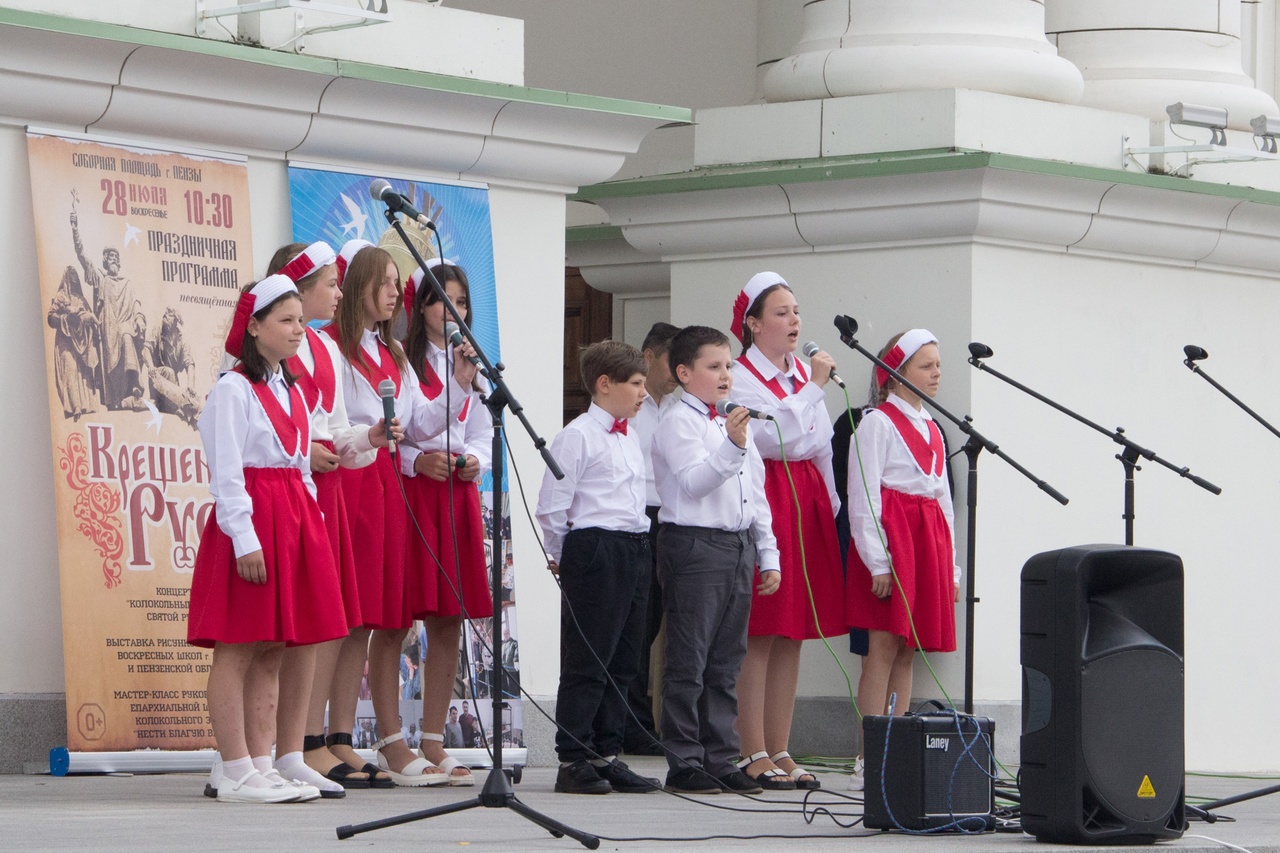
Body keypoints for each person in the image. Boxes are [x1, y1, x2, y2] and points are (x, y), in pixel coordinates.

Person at [186, 275, 348, 803]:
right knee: (236, 648)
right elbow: (227, 474)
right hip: (254, 521)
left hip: (293, 521)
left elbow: (300, 468)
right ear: (253, 326)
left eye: (301, 320)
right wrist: (244, 538)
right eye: (286, 320)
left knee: (273, 649)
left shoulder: (292, 388)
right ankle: (233, 766)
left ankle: (261, 762)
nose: (299, 330)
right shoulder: (233, 389)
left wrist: (314, 527)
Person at [324, 242, 478, 787]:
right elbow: (333, 423)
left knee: (372, 616)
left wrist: (459, 384)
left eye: (396, 283)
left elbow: (415, 422)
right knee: (354, 616)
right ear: (359, 284)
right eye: (385, 283)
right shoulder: (333, 349)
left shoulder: (388, 350)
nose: (395, 293)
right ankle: (329, 739)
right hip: (354, 480)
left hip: (385, 482)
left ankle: (343, 738)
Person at [650, 325, 781, 795]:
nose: (726, 374)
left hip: (737, 544)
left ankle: (722, 756)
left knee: (727, 660)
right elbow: (693, 483)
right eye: (713, 366)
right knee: (690, 657)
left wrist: (768, 553)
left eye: (728, 365)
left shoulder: (733, 423)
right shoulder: (678, 422)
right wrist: (732, 444)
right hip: (694, 546)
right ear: (684, 373)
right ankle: (685, 758)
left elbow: (756, 496)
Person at [728, 272, 844, 791]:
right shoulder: (741, 376)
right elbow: (773, 435)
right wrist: (814, 390)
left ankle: (780, 745)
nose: (794, 320)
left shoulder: (801, 374)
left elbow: (818, 441)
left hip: (807, 496)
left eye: (796, 310)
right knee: (762, 627)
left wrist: (832, 506)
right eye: (781, 312)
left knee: (794, 630)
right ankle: (749, 746)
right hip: (768, 492)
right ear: (753, 324)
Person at [536, 340, 661, 796]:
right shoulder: (578, 435)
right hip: (595, 549)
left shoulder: (630, 436)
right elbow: (552, 506)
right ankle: (573, 756)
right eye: (636, 383)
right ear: (605, 385)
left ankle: (607, 753)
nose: (644, 392)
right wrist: (564, 557)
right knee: (588, 657)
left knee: (624, 659)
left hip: (633, 545)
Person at [844, 329, 960, 791]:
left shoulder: (932, 427)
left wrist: (950, 567)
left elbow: (943, 500)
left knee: (908, 649)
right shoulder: (877, 423)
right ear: (895, 373)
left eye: (937, 365)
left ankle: (897, 749)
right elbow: (864, 495)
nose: (936, 374)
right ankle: (869, 755)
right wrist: (877, 561)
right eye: (926, 365)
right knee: (882, 648)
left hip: (926, 542)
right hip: (895, 544)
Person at [399, 258, 495, 786]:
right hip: (416, 491)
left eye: (460, 301)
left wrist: (476, 457)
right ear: (420, 308)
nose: (451, 310)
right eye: (440, 300)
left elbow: (479, 425)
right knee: (399, 616)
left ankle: (434, 738)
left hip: (456, 494)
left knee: (449, 619)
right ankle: (391, 739)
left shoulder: (471, 361)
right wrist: (418, 460)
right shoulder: (407, 362)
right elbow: (404, 429)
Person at [622, 322, 680, 756]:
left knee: (658, 620)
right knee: (635, 624)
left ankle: (644, 718)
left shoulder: (673, 410)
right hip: (637, 515)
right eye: (670, 359)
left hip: (670, 518)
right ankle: (630, 720)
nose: (677, 370)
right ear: (648, 356)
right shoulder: (633, 411)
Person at [70, 210, 146, 410]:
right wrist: (75, 229)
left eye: (115, 256)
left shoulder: (127, 283)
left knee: (127, 335)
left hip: (124, 327)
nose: (112, 259)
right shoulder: (100, 279)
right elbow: (82, 256)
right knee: (118, 347)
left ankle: (134, 386)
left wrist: (139, 319)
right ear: (104, 261)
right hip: (107, 331)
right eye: (109, 257)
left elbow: (137, 304)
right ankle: (119, 396)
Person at [46, 265, 100, 420]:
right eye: (72, 276)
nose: (74, 279)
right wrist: (65, 319)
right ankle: (74, 406)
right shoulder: (61, 296)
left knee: (84, 373)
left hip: (82, 341)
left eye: (76, 276)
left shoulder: (81, 299)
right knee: (69, 368)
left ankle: (87, 406)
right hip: (65, 339)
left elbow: (89, 316)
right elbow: (50, 318)